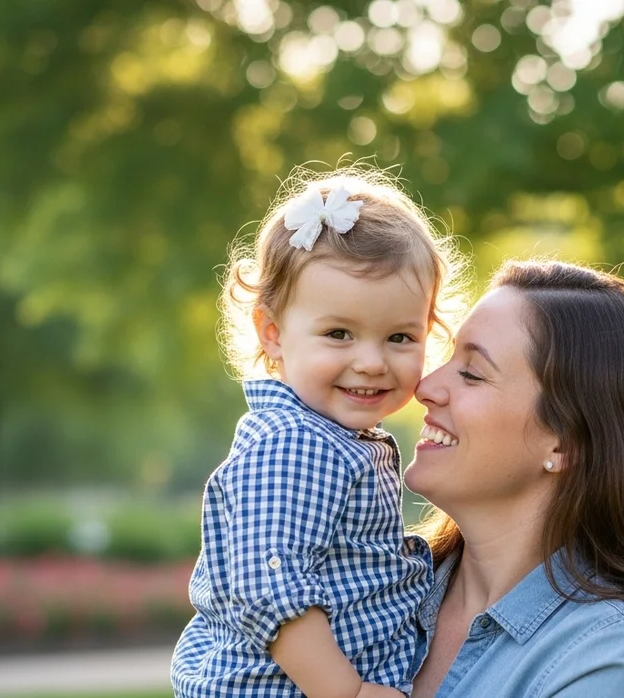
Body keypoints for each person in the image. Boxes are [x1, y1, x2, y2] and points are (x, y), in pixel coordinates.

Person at [171, 168, 466, 698]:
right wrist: (347, 692)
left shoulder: (337, 440)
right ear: (273, 333)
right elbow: (269, 587)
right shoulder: (294, 444)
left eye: (400, 336)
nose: (372, 362)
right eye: (339, 334)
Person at [405, 260, 624, 698]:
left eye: (471, 373)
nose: (424, 386)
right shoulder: (376, 590)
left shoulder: (615, 663)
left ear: (564, 444)